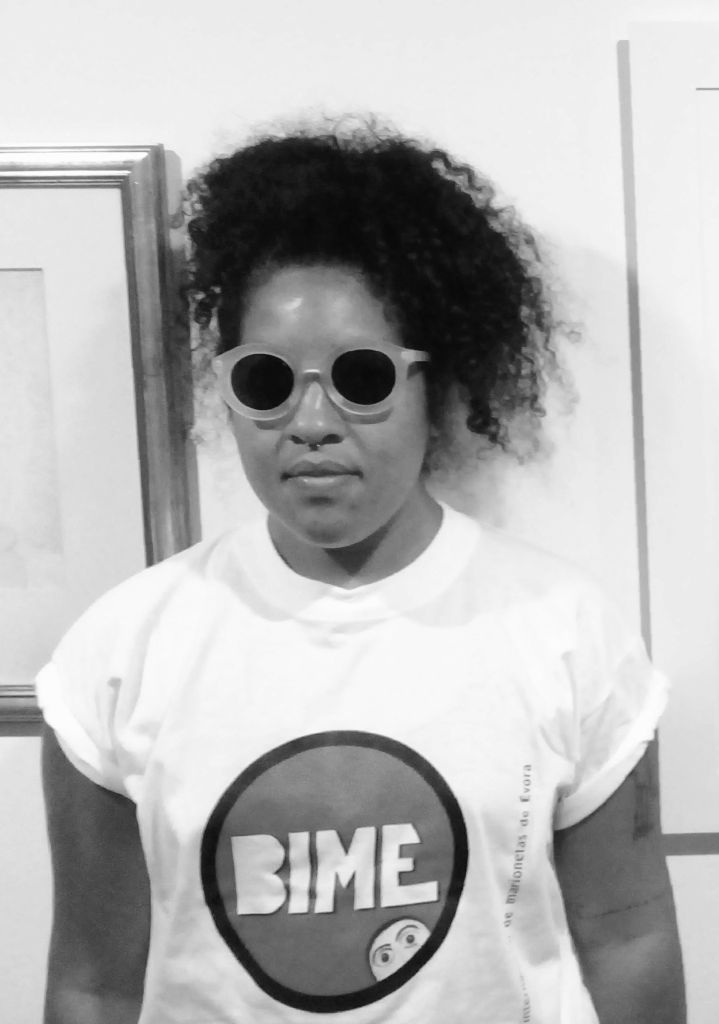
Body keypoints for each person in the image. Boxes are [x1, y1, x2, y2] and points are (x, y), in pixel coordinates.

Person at [38, 115, 685, 1024]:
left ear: (436, 384)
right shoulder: (118, 651)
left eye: (362, 376)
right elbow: (94, 980)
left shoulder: (563, 630)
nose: (311, 422)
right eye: (266, 381)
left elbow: (625, 936)